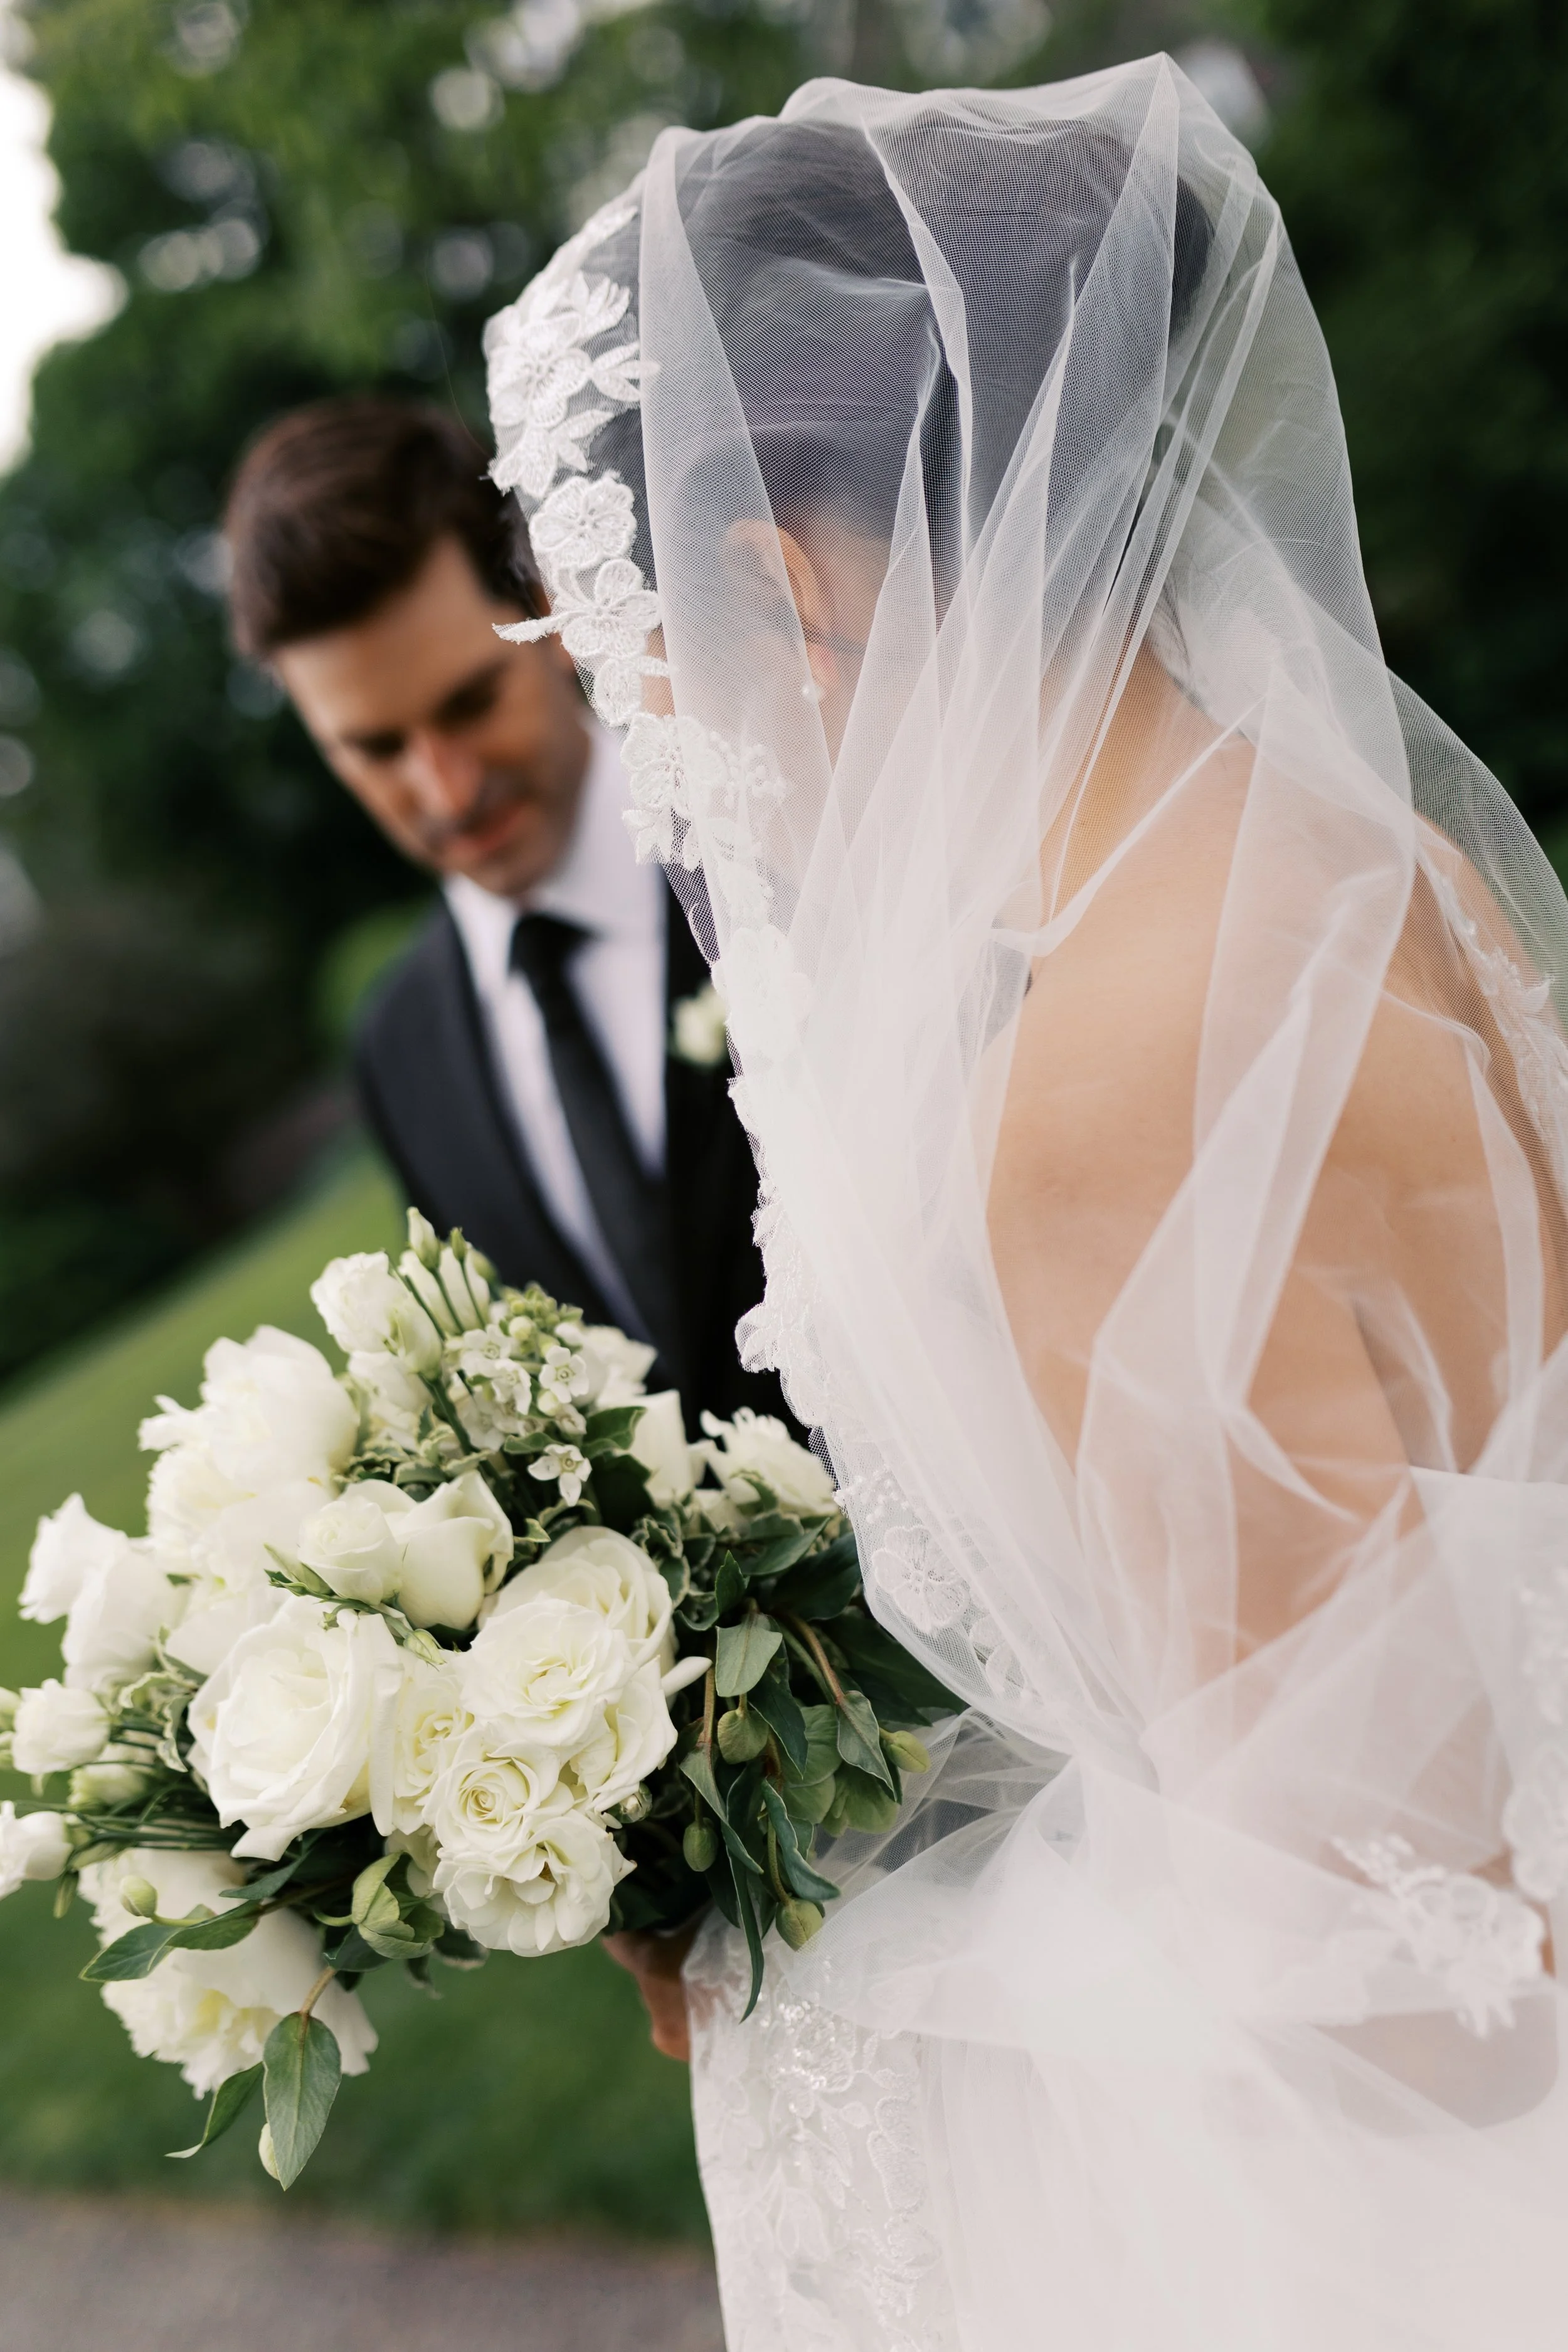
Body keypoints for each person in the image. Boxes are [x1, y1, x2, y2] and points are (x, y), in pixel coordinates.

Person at [482, 60, 1568, 2352]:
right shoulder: (1374, 861)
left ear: (782, 575)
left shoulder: (1085, 1089)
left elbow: (1395, 1972)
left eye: (641, 665)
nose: (682, 770)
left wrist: (819, 1977)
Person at [223, 398, 786, 1437]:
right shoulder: (400, 1051)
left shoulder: (776, 839)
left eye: (470, 703)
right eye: (376, 748)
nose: (445, 788)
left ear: (547, 604)